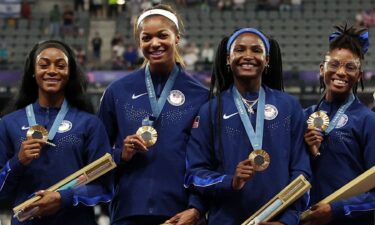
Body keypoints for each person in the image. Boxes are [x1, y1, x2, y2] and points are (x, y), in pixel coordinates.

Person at [184, 28, 311, 225]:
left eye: (256, 50)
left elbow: (301, 171)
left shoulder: (289, 106)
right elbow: (195, 173)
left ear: (267, 59)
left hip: (275, 221)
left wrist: (287, 220)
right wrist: (231, 181)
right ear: (228, 58)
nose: (248, 56)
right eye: (240, 50)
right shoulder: (210, 110)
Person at [98, 4, 208, 225]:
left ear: (177, 38)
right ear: (139, 42)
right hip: (128, 211)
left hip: (180, 214)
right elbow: (95, 156)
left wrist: (197, 208)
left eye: (162, 35)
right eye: (146, 38)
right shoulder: (117, 91)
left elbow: (210, 159)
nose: (154, 43)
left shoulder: (200, 95)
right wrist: (121, 154)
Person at [0, 40, 113, 225]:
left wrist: (64, 198)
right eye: (44, 65)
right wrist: (17, 162)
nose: (52, 71)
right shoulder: (8, 123)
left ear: (69, 74)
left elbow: (103, 187)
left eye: (60, 66)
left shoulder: (90, 124)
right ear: (33, 72)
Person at [301, 24, 375, 225]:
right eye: (334, 64)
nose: (341, 72)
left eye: (350, 67)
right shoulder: (303, 117)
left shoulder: (367, 120)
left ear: (359, 75)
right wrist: (311, 153)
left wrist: (337, 210)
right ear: (322, 68)